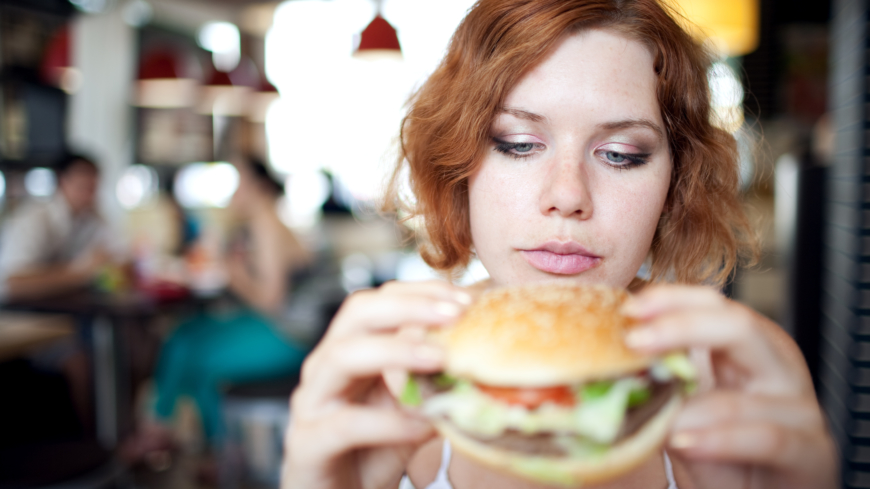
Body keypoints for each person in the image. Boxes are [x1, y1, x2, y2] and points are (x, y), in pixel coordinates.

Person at [281, 1, 838, 489]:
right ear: (459, 167)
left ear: (674, 185)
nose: (567, 195)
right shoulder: (392, 380)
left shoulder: (734, 384)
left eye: (621, 153)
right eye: (519, 144)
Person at [126, 158, 312, 465]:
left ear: (258, 187)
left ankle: (201, 445)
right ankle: (207, 446)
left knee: (198, 356)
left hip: (289, 335)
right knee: (184, 334)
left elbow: (271, 301)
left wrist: (232, 270)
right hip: (277, 325)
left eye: (237, 183)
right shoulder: (261, 221)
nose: (232, 194)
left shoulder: (265, 220)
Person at [0, 153, 113, 301]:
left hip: (63, 308)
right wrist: (82, 273)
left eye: (93, 188)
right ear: (62, 182)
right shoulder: (33, 219)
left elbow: (113, 254)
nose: (89, 195)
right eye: (83, 187)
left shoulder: (91, 219)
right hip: (23, 315)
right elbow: (11, 285)